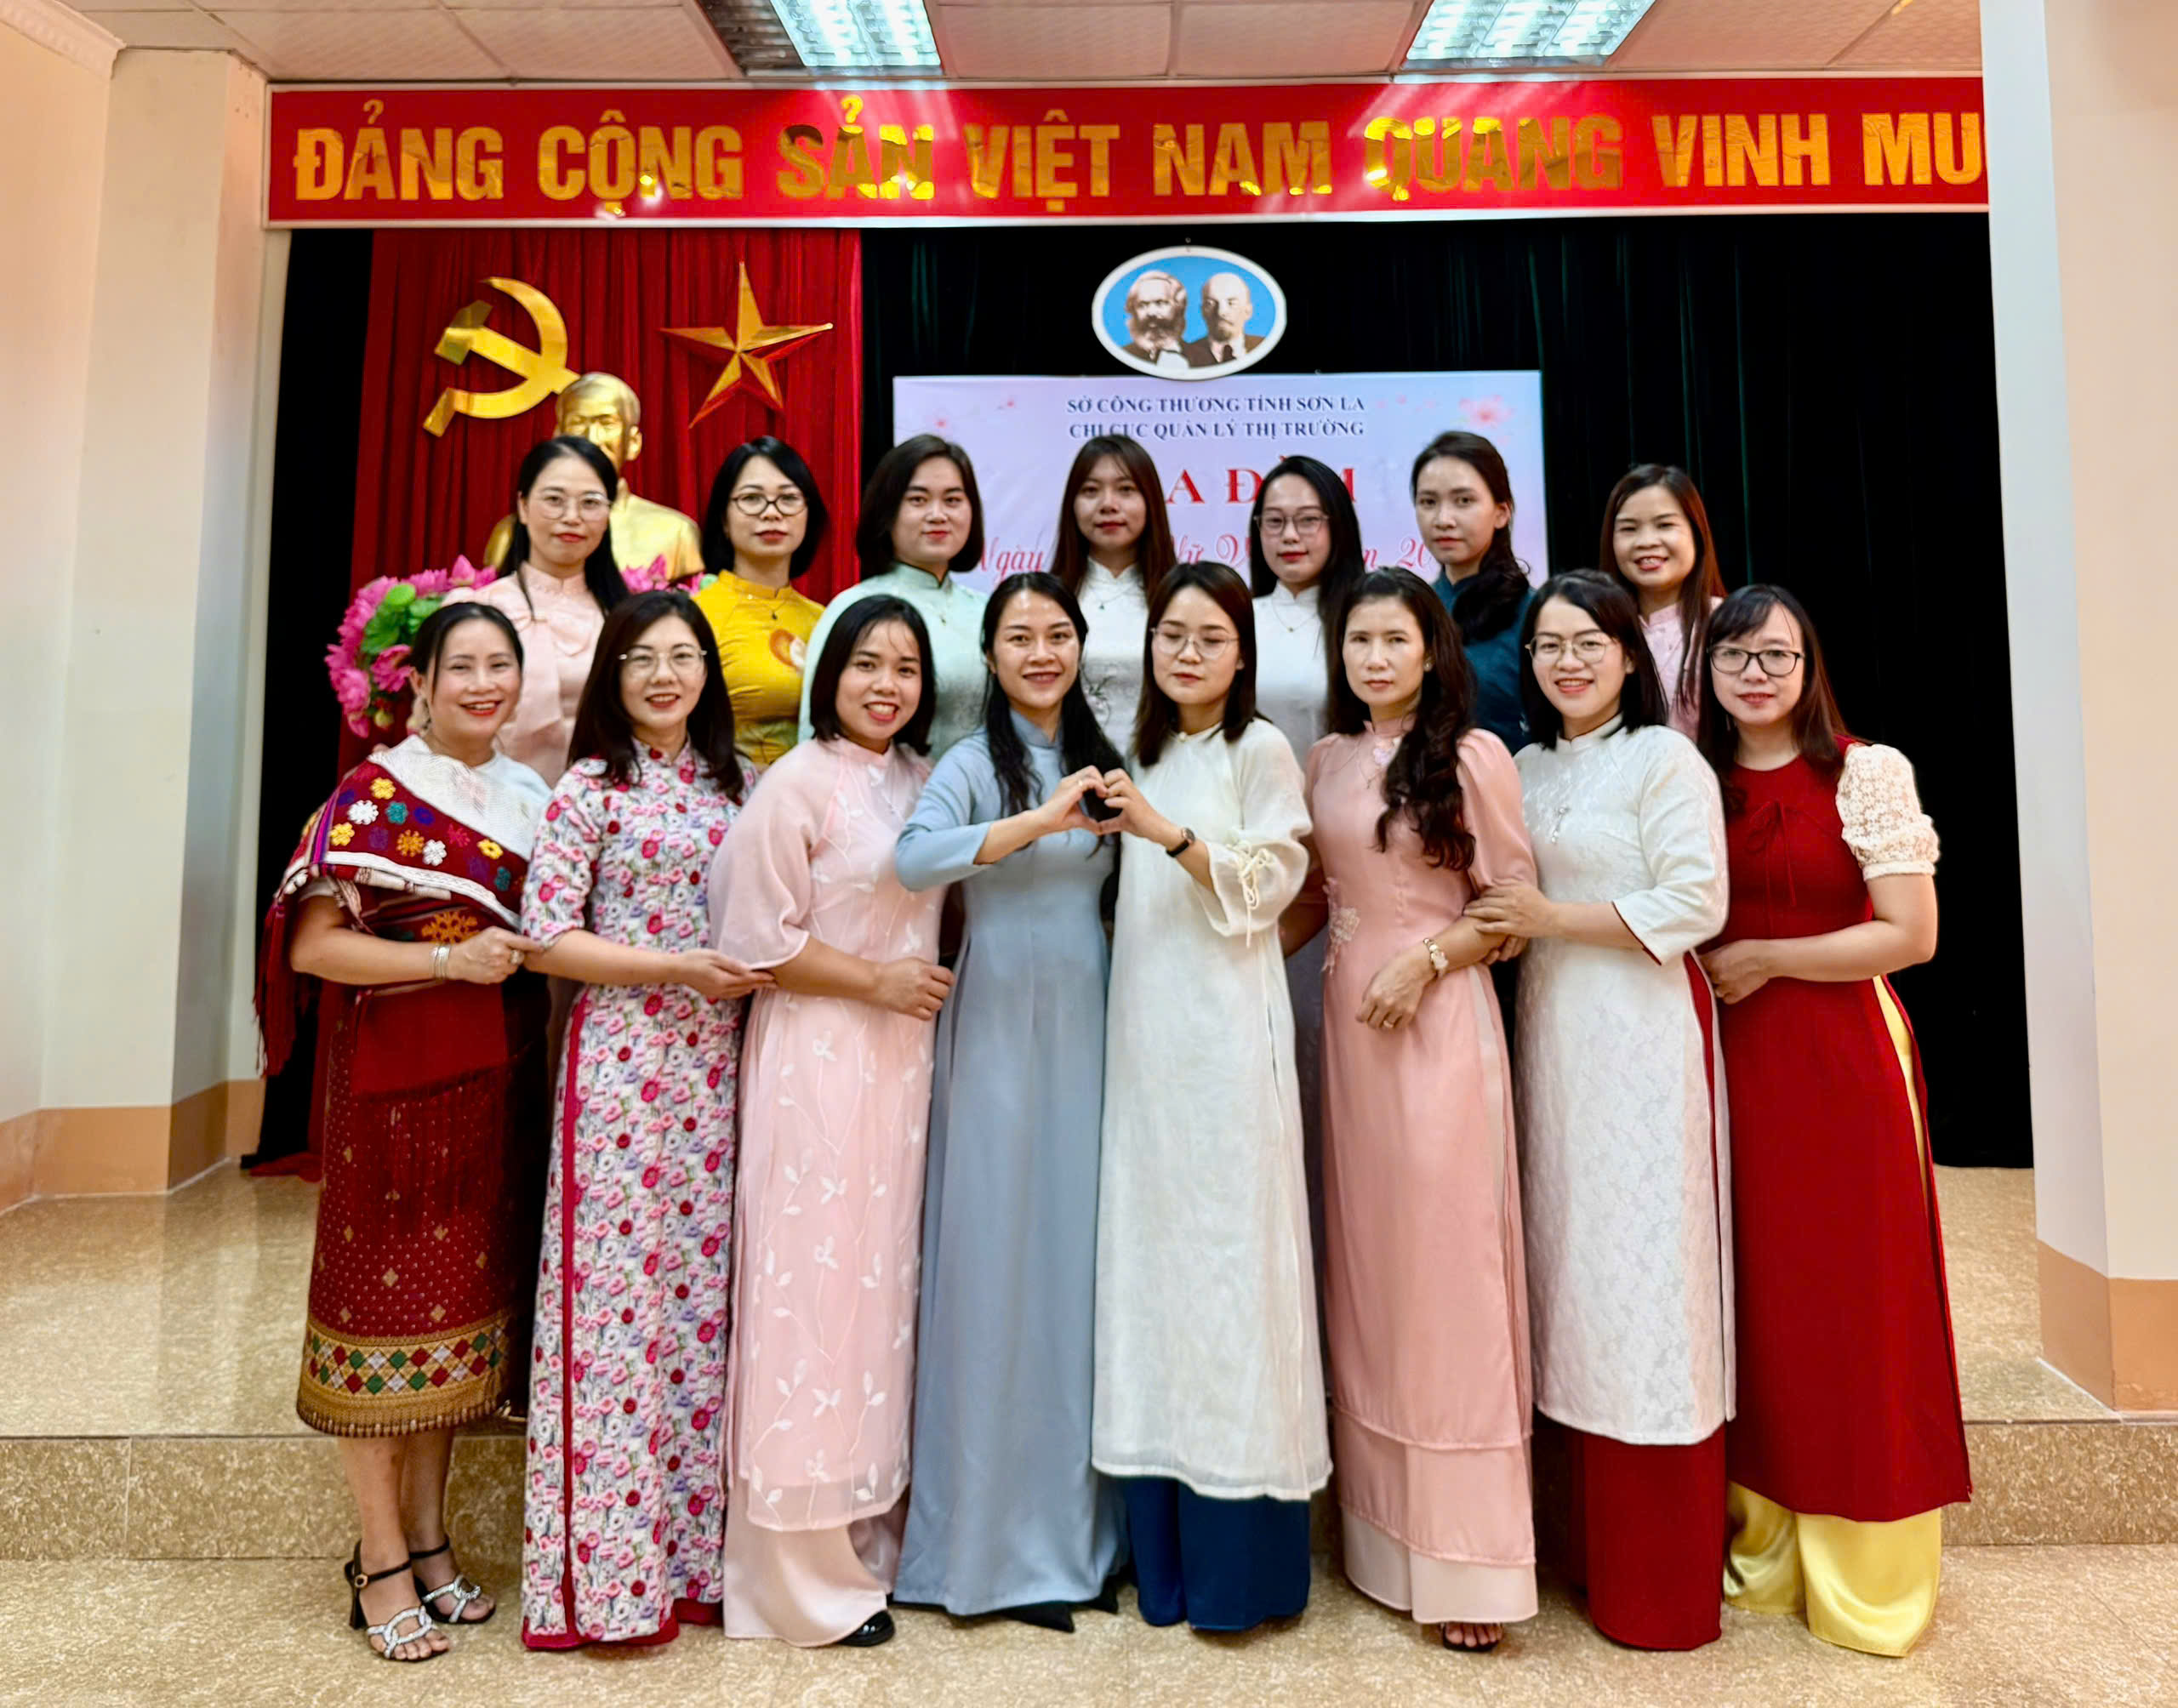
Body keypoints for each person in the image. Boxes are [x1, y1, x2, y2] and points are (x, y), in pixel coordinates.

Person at [257, 602, 551, 1662]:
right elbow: (313, 949)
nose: (482, 683)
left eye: (500, 664)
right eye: (459, 665)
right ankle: (378, 1557)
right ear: (419, 683)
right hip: (395, 1090)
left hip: (498, 1080)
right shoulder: (373, 793)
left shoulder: (530, 796)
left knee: (459, 1316)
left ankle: (430, 1539)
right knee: (381, 1315)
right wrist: (442, 962)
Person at [1694, 584, 1970, 1657]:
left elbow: (1911, 934)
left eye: (1777, 655)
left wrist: (1769, 958)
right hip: (1727, 1065)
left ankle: (1868, 1572)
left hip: (1841, 1061)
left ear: (1809, 667)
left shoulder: (1867, 771)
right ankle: (1763, 1552)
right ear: (1706, 672)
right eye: (1734, 657)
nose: (1755, 674)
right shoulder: (1691, 777)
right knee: (1759, 1299)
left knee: (1857, 1300)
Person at [1466, 571, 1730, 1652]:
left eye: (1589, 643)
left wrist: (1550, 916)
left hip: (1640, 1042)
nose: (1567, 662)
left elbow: (1695, 901)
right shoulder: (1523, 768)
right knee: (1566, 1267)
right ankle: (1575, 1546)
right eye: (1548, 646)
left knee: (1645, 1280)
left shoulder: (1664, 759)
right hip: (1549, 1041)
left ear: (1629, 654)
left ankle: (1657, 1577)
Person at [1286, 570, 1539, 1653]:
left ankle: (1468, 1556)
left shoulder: (1473, 758)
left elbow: (1512, 908)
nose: (1374, 659)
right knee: (1370, 1270)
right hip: (1348, 1037)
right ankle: (1383, 1538)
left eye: (1394, 640)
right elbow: (1310, 898)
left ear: (1431, 650)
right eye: (1358, 642)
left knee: (1446, 1275)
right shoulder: (1326, 760)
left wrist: (1426, 962)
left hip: (1437, 1027)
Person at [516, 590, 767, 1649]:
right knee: (614, 1320)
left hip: (719, 1071)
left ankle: (693, 1565)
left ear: (708, 670)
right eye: (641, 660)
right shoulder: (588, 788)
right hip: (622, 1064)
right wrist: (673, 967)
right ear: (612, 678)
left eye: (683, 656)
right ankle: (606, 1583)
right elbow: (545, 938)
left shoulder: (739, 782)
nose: (665, 676)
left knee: (700, 1315)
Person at [1092, 561, 1328, 1633]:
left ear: (1243, 655)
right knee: (1151, 1272)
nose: (1186, 654)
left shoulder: (1259, 748)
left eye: (1209, 638)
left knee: (1234, 1269)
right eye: (1170, 636)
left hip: (1228, 1040)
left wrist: (1168, 833)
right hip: (1145, 1039)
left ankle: (1242, 1566)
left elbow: (1274, 883)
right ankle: (1163, 1561)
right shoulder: (1135, 749)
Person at [715, 597, 952, 1648]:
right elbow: (753, 939)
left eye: (905, 668)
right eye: (865, 664)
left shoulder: (923, 780)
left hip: (899, 1071)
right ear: (828, 675)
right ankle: (791, 1583)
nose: (885, 685)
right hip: (815, 1057)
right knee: (805, 1295)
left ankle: (865, 1544)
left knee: (875, 1296)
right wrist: (874, 980)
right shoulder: (797, 781)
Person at [892, 573, 1128, 1628]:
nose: (1041, 652)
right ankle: (983, 1550)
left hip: (1091, 1023)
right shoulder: (967, 763)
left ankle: (1078, 1539)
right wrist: (1035, 819)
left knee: (1076, 1270)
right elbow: (913, 861)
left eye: (1058, 633)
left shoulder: (1110, 759)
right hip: (991, 1024)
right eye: (1019, 636)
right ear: (988, 656)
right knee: (991, 1269)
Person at [1250, 453, 1367, 1268]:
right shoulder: (1240, 617)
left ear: (1338, 526)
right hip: (1265, 870)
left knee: (1347, 1077)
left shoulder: (1368, 615)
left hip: (1359, 869)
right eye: (1274, 522)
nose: (1290, 535)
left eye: (1308, 519)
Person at [453, 435, 632, 784]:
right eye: (554, 500)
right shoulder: (476, 612)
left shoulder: (625, 619)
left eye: (590, 503)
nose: (572, 517)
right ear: (522, 506)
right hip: (489, 801)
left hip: (603, 803)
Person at [797, 435, 989, 759]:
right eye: (918, 500)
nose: (938, 514)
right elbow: (815, 731)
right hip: (884, 789)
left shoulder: (989, 610)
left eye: (953, 500)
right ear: (887, 512)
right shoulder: (854, 608)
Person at [482, 372, 704, 583]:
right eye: (578, 423)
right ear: (558, 437)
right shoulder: (511, 534)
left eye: (607, 423)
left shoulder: (677, 533)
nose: (592, 438)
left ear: (633, 442)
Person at [692, 436, 831, 768]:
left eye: (788, 499)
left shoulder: (827, 620)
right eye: (752, 499)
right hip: (728, 789)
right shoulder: (696, 617)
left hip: (819, 792)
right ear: (724, 519)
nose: (771, 513)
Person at [1050, 433, 1177, 753]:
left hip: (1165, 767)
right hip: (1067, 772)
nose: (1108, 505)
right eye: (1091, 491)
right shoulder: (1047, 600)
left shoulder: (1182, 599)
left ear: (1150, 501)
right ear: (1072, 504)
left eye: (1126, 489)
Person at [1411, 430, 1535, 752]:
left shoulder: (1537, 613)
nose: (1443, 519)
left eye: (1463, 501)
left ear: (1501, 512)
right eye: (1428, 502)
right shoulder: (1411, 610)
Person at [1600, 464, 1725, 739]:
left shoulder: (1728, 623)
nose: (1646, 541)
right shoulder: (1596, 629)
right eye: (1629, 529)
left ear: (1697, 533)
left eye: (1665, 525)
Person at [1182, 272, 1265, 367]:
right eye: (1211, 304)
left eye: (1231, 303)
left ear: (1248, 311)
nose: (1221, 312)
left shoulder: (1263, 346)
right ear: (1203, 311)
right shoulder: (1185, 356)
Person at [1118, 270, 1191, 372]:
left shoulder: (1202, 357)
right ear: (1133, 310)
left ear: (1178, 307)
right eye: (1143, 305)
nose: (1151, 312)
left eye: (1160, 303)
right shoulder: (1122, 355)